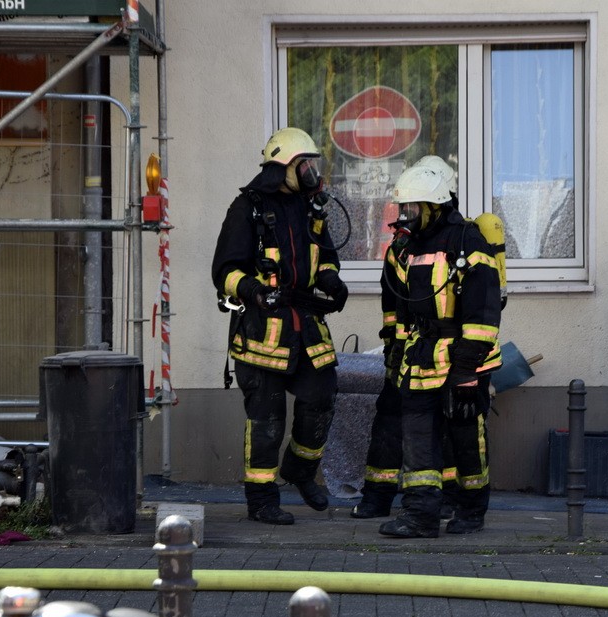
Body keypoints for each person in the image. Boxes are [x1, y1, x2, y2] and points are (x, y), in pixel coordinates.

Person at [211, 127, 349, 525]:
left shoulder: (312, 207)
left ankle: (301, 471)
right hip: (262, 331)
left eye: (312, 165)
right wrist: (252, 289)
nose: (310, 172)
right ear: (283, 166)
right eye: (304, 164)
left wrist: (330, 280)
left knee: (322, 396)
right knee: (267, 420)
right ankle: (262, 500)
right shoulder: (247, 208)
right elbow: (224, 270)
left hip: (305, 324)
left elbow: (324, 257)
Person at [377, 164, 503, 537]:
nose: (406, 215)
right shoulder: (407, 247)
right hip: (418, 359)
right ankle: (420, 515)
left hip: (463, 360)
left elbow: (483, 312)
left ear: (434, 206)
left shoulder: (468, 241)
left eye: (413, 208)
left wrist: (466, 370)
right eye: (404, 208)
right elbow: (400, 307)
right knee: (417, 438)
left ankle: (471, 510)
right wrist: (396, 350)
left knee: (465, 438)